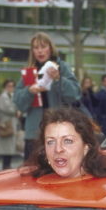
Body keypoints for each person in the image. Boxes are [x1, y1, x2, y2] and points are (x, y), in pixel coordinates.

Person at [23, 106, 106, 179]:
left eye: (68, 141)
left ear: (86, 147)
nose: (58, 149)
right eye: (50, 142)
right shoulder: (34, 183)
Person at [13, 32, 80, 161]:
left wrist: (58, 79)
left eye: (43, 47)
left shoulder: (61, 67)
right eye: (36, 48)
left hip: (59, 132)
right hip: (34, 133)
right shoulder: (29, 71)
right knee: (33, 172)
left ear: (50, 48)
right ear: (32, 51)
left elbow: (75, 94)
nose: (40, 51)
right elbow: (18, 102)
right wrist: (29, 91)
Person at [0, 79, 20, 170]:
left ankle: (7, 165)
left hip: (11, 125)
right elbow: (8, 108)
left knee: (10, 147)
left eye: (12, 86)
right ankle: (5, 166)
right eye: (9, 86)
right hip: (6, 125)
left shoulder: (12, 96)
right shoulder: (3, 96)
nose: (11, 88)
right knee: (6, 148)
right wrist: (16, 110)